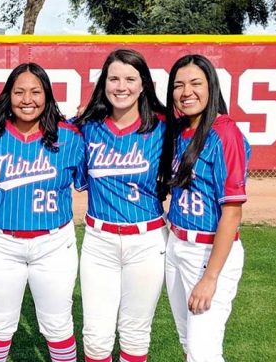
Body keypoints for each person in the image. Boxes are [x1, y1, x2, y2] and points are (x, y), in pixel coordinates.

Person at [0, 62, 86, 362]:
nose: (27, 99)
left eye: (35, 92)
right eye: (19, 91)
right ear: (8, 95)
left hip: (54, 244)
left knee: (58, 325)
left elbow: (84, 181)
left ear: (47, 95)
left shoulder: (71, 137)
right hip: (0, 243)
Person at [73, 48, 168, 362]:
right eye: (113, 78)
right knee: (96, 336)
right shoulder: (86, 126)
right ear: (104, 83)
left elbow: (212, 133)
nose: (121, 86)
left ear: (144, 85)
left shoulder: (164, 126)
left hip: (147, 240)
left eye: (130, 78)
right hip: (99, 242)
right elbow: (41, 133)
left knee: (135, 332)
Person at [161, 54, 249, 362]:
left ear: (211, 86)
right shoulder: (179, 130)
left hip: (209, 253)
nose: (187, 92)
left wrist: (210, 277)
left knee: (203, 352)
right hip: (177, 245)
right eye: (179, 85)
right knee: (190, 344)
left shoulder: (225, 133)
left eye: (196, 83)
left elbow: (233, 212)